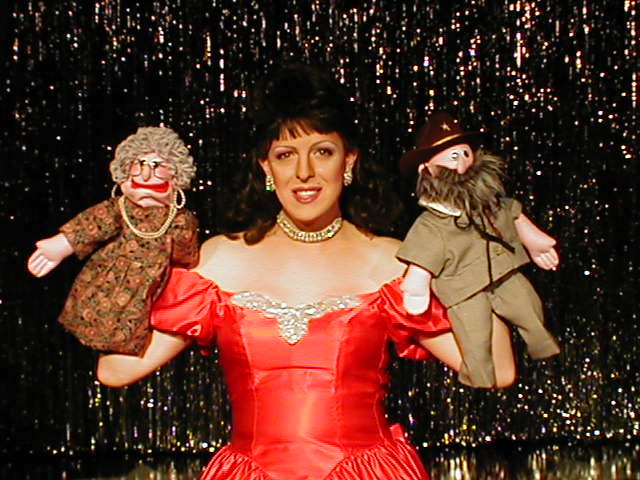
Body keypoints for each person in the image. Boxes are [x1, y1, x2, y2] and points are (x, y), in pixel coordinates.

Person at [96, 66, 516, 480]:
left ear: (348, 161)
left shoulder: (392, 262)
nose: (303, 173)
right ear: (266, 167)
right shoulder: (220, 259)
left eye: (322, 152)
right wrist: (139, 246)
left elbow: (497, 370)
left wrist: (474, 252)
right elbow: (115, 370)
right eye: (285, 155)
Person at [396, 112, 560, 389]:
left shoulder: (488, 203)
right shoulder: (433, 223)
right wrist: (417, 284)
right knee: (475, 336)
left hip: (503, 271)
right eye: (452, 157)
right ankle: (480, 379)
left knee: (528, 307)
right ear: (428, 169)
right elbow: (421, 255)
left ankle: (543, 346)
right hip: (464, 289)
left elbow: (512, 215)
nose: (462, 163)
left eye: (465, 153)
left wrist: (535, 242)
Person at [27, 127, 199, 355]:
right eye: (139, 165)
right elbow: (92, 224)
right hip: (110, 282)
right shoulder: (118, 209)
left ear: (176, 173)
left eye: (157, 166)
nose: (146, 175)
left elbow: (187, 255)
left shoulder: (180, 219)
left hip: (158, 288)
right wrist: (61, 245)